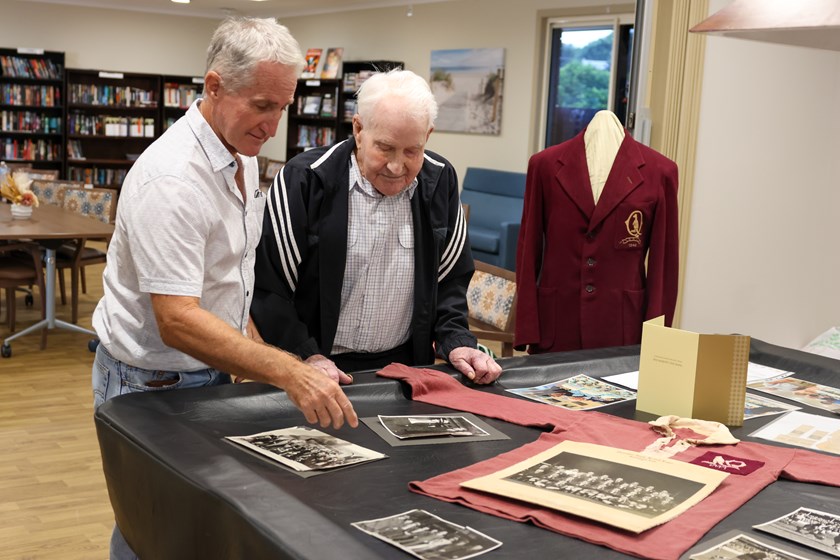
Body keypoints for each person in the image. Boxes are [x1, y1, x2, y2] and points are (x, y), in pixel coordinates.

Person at [91, 17, 358, 559]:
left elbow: (230, 277)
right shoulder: (172, 179)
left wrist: (255, 350)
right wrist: (290, 370)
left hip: (202, 370)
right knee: (153, 525)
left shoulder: (241, 150)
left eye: (282, 107)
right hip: (152, 379)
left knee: (199, 522)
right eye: (261, 105)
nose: (272, 124)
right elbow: (179, 318)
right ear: (214, 86)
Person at [251, 69, 501, 384]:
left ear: (428, 135)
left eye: (412, 150)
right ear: (358, 129)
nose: (397, 166)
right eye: (384, 148)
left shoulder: (440, 181)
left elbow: (450, 279)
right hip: (317, 366)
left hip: (406, 368)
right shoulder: (305, 179)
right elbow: (270, 288)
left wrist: (457, 342)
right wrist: (305, 355)